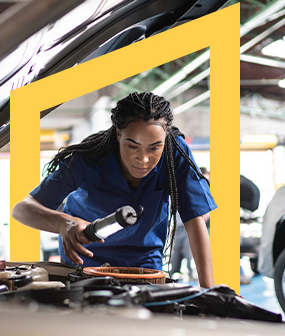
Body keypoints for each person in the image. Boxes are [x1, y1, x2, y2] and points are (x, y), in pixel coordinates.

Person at [12, 92, 217, 288]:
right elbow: (22, 209)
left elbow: (194, 219)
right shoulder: (89, 158)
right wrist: (64, 224)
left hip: (144, 269)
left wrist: (209, 290)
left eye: (154, 148)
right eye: (132, 146)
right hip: (84, 266)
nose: (143, 159)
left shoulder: (175, 153)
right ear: (119, 134)